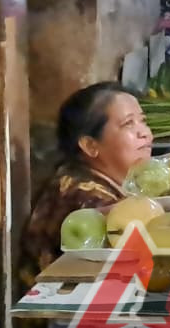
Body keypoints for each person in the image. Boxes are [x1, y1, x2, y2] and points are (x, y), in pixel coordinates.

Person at [21, 83, 153, 276]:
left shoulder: (90, 177)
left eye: (143, 121)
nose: (144, 133)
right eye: (128, 124)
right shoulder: (84, 196)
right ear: (90, 146)